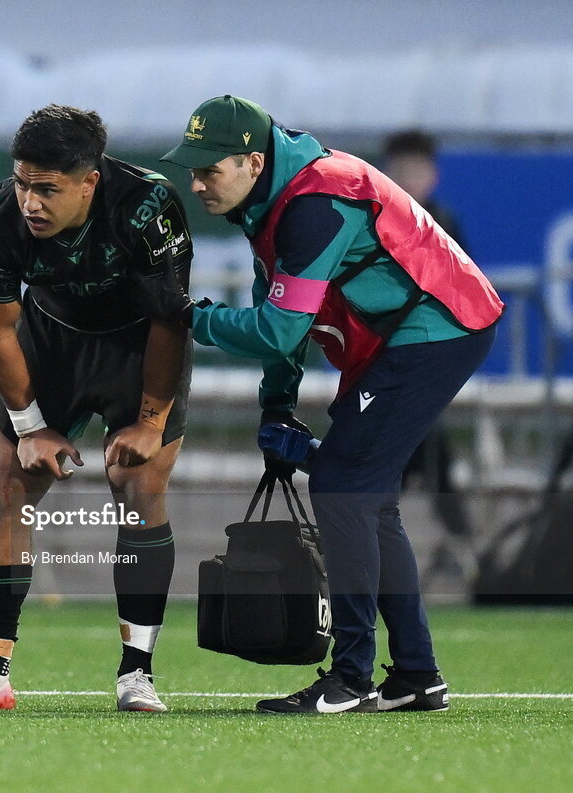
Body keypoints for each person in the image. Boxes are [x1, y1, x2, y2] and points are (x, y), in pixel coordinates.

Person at [151, 95, 503, 714]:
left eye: (209, 169)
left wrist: (190, 319)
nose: (196, 182)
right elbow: (276, 310)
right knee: (364, 494)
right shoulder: (272, 197)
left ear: (253, 161)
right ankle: (416, 675)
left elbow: (280, 329)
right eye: (192, 168)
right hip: (420, 330)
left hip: (437, 328)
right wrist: (276, 409)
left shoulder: (314, 203)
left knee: (344, 483)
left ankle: (351, 679)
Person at [0, 105, 193, 713]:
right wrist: (31, 428)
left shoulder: (147, 207)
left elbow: (171, 321)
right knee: (6, 483)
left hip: (138, 344)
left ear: (89, 181)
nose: (31, 202)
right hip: (48, 341)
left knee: (138, 485)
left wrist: (151, 421)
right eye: (22, 183)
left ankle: (136, 674)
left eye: (48, 189)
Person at [383, 130, 478, 584]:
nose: (407, 178)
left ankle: (454, 545)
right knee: (408, 452)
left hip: (424, 364)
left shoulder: (445, 225)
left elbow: (467, 294)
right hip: (381, 365)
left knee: (413, 451)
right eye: (399, 168)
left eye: (416, 170)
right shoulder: (373, 220)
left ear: (433, 175)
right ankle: (460, 545)